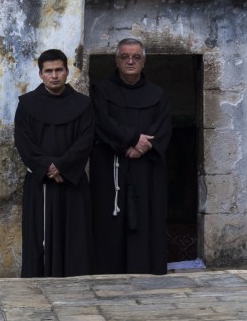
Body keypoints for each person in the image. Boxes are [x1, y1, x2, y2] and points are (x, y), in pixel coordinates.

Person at [90, 37, 172, 275]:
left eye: (136, 57)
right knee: (111, 218)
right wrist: (132, 139)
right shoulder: (102, 91)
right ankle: (110, 269)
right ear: (116, 60)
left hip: (147, 168)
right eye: (125, 56)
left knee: (147, 215)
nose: (130, 61)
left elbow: (164, 125)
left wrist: (142, 146)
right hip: (111, 167)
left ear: (143, 62)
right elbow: (102, 122)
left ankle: (146, 266)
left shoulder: (157, 94)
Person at [14, 49, 95, 277]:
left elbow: (86, 140)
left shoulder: (83, 104)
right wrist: (48, 167)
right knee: (40, 237)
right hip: (40, 184)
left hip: (73, 183)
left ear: (67, 72)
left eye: (59, 70)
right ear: (40, 74)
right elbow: (24, 142)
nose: (54, 75)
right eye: (48, 71)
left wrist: (62, 167)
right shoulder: (27, 104)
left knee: (74, 237)